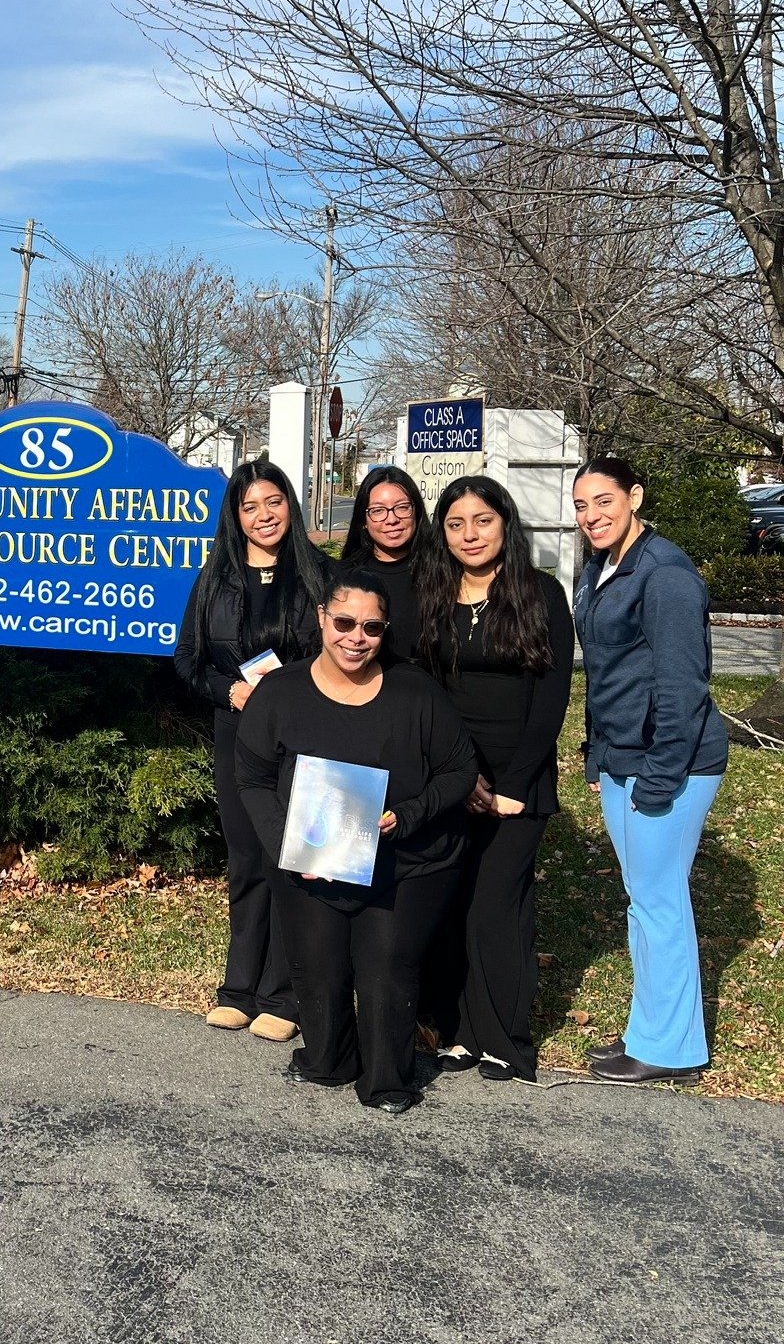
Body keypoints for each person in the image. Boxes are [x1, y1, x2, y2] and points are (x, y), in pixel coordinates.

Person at [236, 566, 478, 1113]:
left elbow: (460, 771)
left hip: (404, 862)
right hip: (312, 860)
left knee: (386, 965)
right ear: (322, 619)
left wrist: (408, 816)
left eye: (371, 627)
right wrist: (287, 847)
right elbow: (250, 777)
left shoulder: (416, 690)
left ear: (385, 629)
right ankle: (328, 1058)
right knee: (317, 964)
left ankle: (387, 1080)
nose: (356, 638)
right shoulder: (281, 692)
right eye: (344, 621)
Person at [572, 457, 728, 1085]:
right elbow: (607, 673)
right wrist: (598, 754)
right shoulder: (602, 567)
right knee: (644, 898)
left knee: (659, 899)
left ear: (634, 496)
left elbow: (682, 686)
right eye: (581, 506)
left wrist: (659, 781)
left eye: (604, 501)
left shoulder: (664, 574)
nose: (591, 517)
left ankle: (671, 1049)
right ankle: (655, 1029)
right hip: (622, 758)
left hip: (671, 764)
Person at [413, 476, 574, 1082]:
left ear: (505, 522)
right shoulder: (434, 593)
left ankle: (506, 1038)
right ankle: (460, 1033)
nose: (469, 534)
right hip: (454, 776)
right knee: (454, 906)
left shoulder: (541, 594)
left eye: (481, 520)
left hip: (518, 782)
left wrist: (511, 781)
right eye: (455, 524)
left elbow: (551, 697)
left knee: (496, 908)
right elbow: (428, 692)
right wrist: (462, 776)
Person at [175, 459, 329, 1040]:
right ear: (235, 517)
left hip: (304, 738)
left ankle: (283, 995)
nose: (264, 516)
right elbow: (187, 662)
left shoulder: (320, 576)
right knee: (246, 859)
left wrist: (290, 690)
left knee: (289, 859)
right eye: (250, 507)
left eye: (273, 502)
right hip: (238, 737)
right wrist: (229, 690)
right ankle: (239, 987)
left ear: (290, 504)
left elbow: (344, 654)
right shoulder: (215, 579)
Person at [338, 465, 432, 660]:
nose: (392, 519)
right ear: (363, 520)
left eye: (402, 507)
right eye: (378, 510)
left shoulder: (442, 572)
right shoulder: (345, 576)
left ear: (417, 512)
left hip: (428, 686)